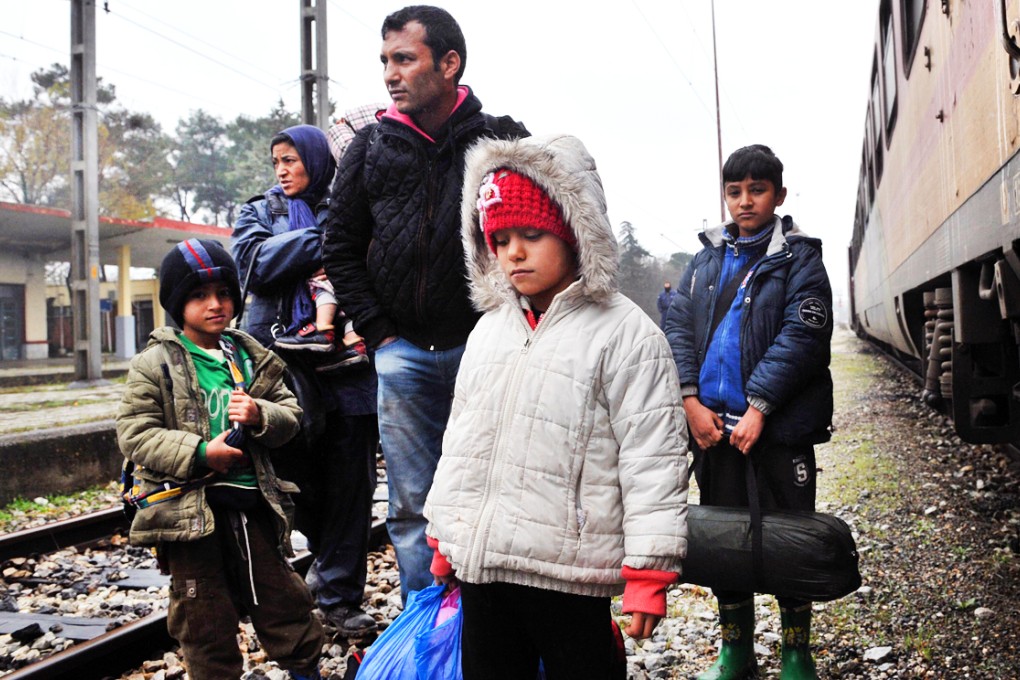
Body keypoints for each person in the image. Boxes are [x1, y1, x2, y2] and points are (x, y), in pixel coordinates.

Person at [422, 134, 690, 680]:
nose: (513, 253)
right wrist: (447, 535)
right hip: (485, 568)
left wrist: (647, 574)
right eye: (499, 238)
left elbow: (653, 461)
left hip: (569, 571)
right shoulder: (489, 331)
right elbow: (463, 443)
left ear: (575, 233)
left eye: (532, 234)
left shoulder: (627, 335)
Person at [322, 5, 529, 598]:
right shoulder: (368, 148)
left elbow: (539, 237)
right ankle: (429, 628)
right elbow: (339, 246)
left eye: (404, 59)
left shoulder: (502, 140)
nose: (390, 73)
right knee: (413, 507)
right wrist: (381, 333)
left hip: (484, 351)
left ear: (449, 63)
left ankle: (491, 620)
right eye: (385, 61)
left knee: (495, 490)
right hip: (403, 356)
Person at [116, 239, 324, 680]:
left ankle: (305, 670)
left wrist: (261, 414)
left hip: (254, 508)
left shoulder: (251, 356)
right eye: (199, 295)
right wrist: (198, 452)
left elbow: (290, 415)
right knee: (202, 617)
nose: (216, 304)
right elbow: (135, 434)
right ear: (177, 302)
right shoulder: (154, 364)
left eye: (224, 293)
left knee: (283, 600)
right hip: (188, 517)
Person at [664, 144, 833, 680]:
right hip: (713, 431)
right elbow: (678, 330)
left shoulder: (802, 259)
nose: (745, 201)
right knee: (723, 541)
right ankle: (735, 650)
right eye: (735, 191)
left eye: (757, 190)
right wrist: (690, 400)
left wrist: (760, 405)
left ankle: (795, 652)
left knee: (789, 535)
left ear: (779, 196)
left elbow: (804, 336)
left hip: (777, 431)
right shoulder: (706, 261)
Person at [232, 125, 380, 637]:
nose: (282, 169)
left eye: (292, 159)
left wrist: (332, 239)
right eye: (276, 161)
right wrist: (327, 240)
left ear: (316, 161)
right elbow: (252, 264)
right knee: (291, 478)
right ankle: (304, 582)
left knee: (351, 484)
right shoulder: (260, 211)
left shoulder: (350, 201)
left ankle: (338, 597)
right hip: (282, 367)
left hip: (349, 369)